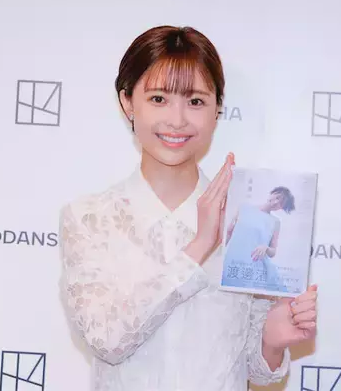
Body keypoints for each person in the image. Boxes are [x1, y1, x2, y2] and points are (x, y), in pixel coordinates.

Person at [58, 25, 318, 391]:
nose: (177, 119)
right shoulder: (90, 219)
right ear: (128, 102)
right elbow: (107, 340)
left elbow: (254, 369)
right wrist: (199, 247)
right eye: (158, 99)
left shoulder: (243, 217)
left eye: (195, 101)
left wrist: (272, 341)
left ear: (217, 109)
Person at [223, 186, 297, 292]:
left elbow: (273, 252)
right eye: (277, 197)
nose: (276, 202)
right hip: (232, 260)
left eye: (280, 203)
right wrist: (221, 255)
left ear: (281, 208)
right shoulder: (244, 207)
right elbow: (229, 232)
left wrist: (265, 247)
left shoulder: (275, 222)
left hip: (255, 265)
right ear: (272, 193)